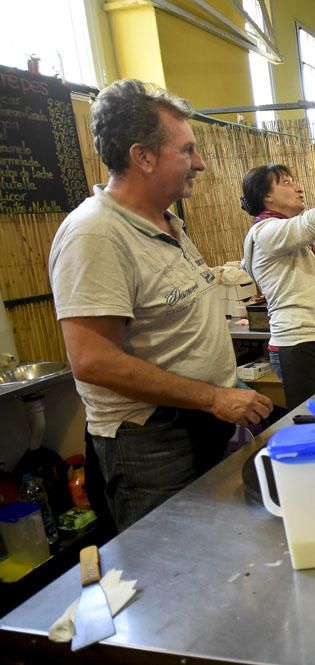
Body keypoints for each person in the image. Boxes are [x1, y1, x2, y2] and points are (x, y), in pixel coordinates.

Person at [48, 79, 274, 531]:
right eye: (187, 150)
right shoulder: (95, 234)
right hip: (149, 443)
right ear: (143, 157)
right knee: (170, 572)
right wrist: (213, 396)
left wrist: (222, 387)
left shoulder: (166, 222)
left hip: (199, 424)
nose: (201, 163)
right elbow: (93, 361)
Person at [240, 118, 315, 410]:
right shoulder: (267, 233)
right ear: (267, 197)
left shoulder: (289, 242)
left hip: (313, 345)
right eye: (287, 183)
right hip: (300, 347)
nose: (298, 187)